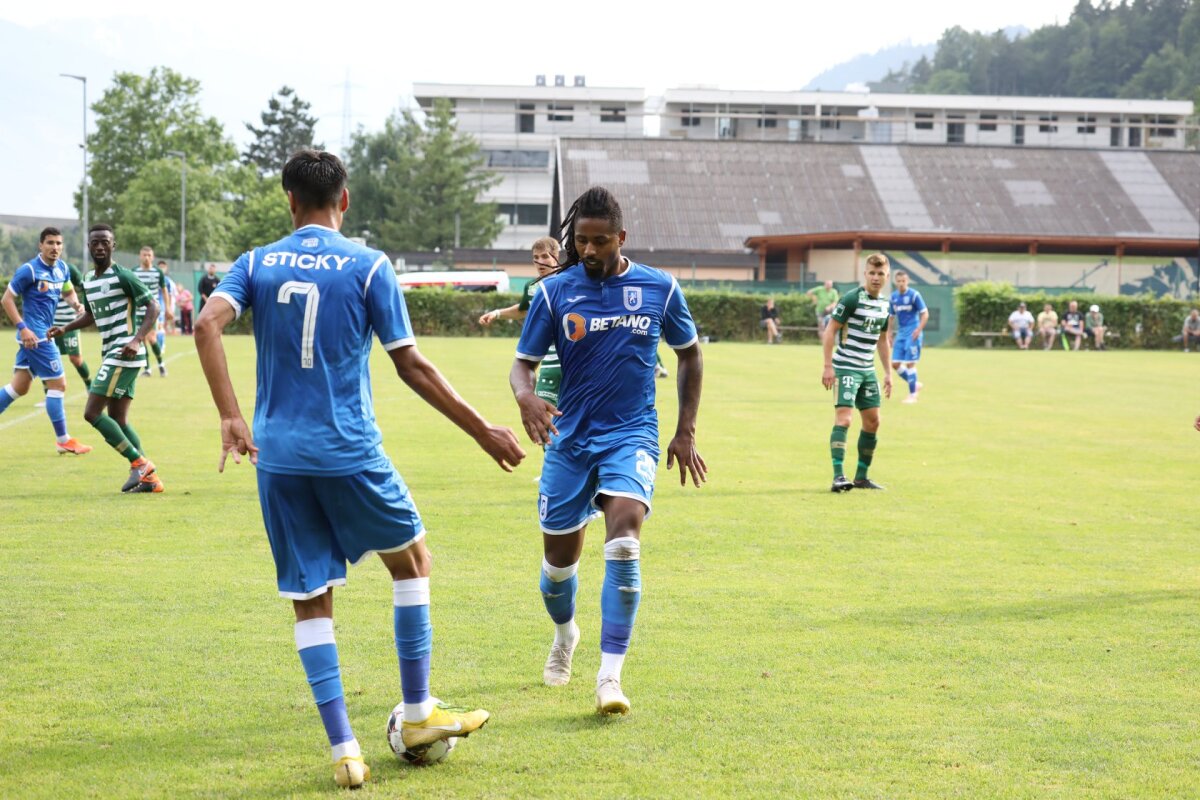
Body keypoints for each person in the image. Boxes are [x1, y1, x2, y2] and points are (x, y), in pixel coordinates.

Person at [194, 150, 525, 789]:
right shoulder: (369, 266)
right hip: (349, 452)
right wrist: (482, 428)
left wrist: (232, 417)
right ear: (344, 201)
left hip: (279, 459)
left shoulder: (257, 262)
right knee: (412, 560)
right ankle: (420, 710)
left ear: (289, 201)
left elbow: (208, 324)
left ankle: (346, 750)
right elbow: (411, 365)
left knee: (311, 598)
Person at [509, 186, 706, 716]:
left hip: (631, 433)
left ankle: (610, 678)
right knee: (558, 565)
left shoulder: (659, 288)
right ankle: (565, 634)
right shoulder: (555, 293)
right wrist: (526, 397)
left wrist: (684, 431)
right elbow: (522, 364)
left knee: (624, 542)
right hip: (569, 440)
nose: (590, 251)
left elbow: (689, 356)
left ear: (621, 237)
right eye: (582, 241)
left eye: (600, 241)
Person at [48, 224, 162, 491]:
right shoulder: (88, 279)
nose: (100, 246)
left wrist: (136, 339)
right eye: (95, 243)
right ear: (89, 247)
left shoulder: (124, 276)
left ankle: (140, 465)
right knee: (118, 419)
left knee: (91, 412)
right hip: (112, 351)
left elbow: (153, 306)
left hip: (125, 352)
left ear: (114, 245)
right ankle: (149, 478)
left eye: (105, 242)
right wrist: (64, 328)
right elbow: (90, 314)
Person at [0, 227, 93, 455]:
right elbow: (7, 299)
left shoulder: (62, 268)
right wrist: (22, 328)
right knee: (58, 385)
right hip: (37, 336)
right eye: (50, 243)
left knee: (19, 387)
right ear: (40, 245)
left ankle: (63, 440)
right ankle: (63, 440)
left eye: (58, 243)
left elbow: (68, 291)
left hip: (40, 335)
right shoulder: (29, 270)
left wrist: (77, 305)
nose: (55, 247)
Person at [822, 252, 893, 492]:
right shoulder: (852, 298)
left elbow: (883, 340)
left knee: (873, 422)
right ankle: (838, 476)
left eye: (880, 273)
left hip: (867, 370)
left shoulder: (885, 304)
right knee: (845, 419)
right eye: (871, 273)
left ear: (887, 276)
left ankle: (862, 477)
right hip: (845, 367)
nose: (875, 277)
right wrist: (828, 366)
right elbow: (830, 330)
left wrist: (888, 373)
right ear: (865, 274)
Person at [479, 236, 563, 405]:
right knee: (542, 417)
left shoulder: (571, 281)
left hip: (574, 357)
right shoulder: (533, 287)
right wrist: (496, 313)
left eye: (545, 256)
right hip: (549, 359)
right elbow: (523, 310)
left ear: (556, 256)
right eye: (536, 258)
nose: (540, 262)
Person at [888, 269, 928, 403]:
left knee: (910, 363)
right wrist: (889, 333)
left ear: (907, 281)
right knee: (895, 364)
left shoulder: (914, 295)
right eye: (898, 281)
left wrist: (919, 329)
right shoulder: (893, 297)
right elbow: (891, 317)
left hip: (913, 333)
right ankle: (915, 384)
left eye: (903, 281)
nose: (901, 284)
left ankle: (913, 395)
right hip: (901, 333)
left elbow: (925, 313)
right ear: (895, 282)